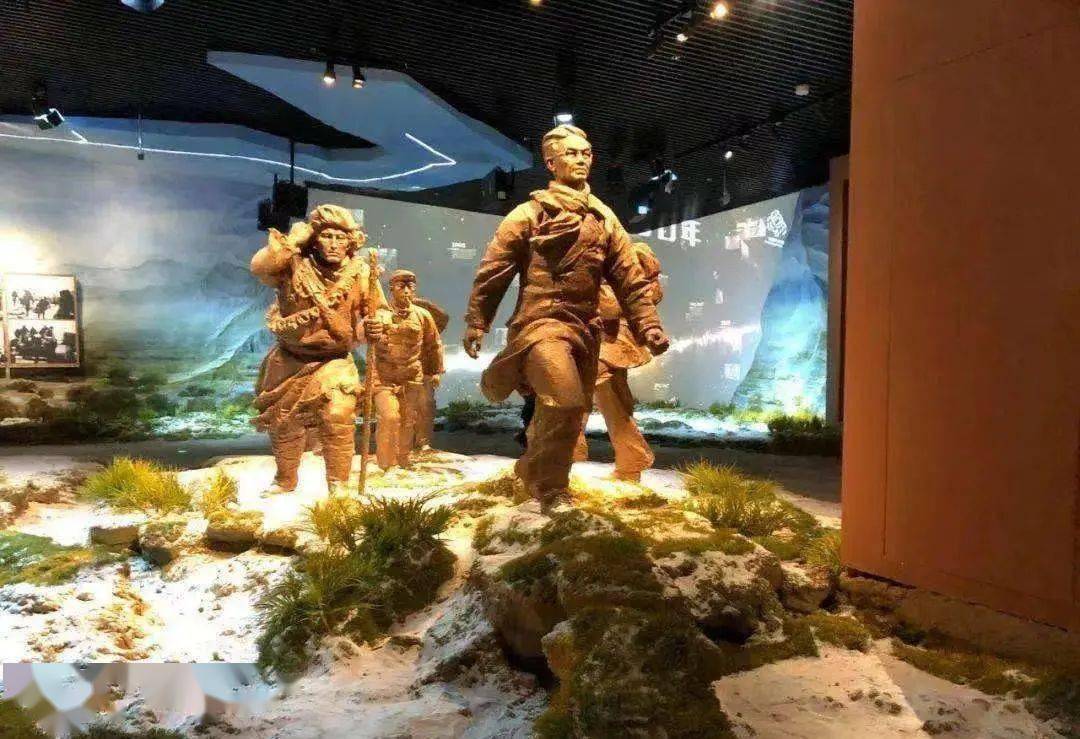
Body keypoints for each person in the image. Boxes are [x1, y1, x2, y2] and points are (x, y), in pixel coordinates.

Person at [463, 124, 669, 507]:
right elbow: (494, 272)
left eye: (586, 154)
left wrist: (649, 325)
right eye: (571, 153)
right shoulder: (527, 214)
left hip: (587, 332)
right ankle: (552, 489)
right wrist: (478, 321)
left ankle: (531, 471)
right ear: (550, 162)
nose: (581, 160)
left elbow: (630, 277)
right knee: (567, 400)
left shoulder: (603, 218)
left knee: (571, 414)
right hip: (540, 327)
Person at [249, 204, 383, 494]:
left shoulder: (361, 272)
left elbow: (379, 310)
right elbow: (260, 268)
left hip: (335, 360)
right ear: (314, 238)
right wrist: (294, 240)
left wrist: (375, 325)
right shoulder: (293, 264)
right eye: (327, 236)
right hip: (289, 361)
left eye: (340, 237)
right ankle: (285, 479)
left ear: (351, 242)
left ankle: (339, 485)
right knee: (284, 423)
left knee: (338, 414)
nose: (334, 244)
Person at [574, 242, 665, 482]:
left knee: (581, 392)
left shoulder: (631, 261)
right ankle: (630, 462)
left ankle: (563, 453)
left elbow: (614, 308)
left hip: (613, 342)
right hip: (603, 341)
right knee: (611, 399)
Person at [363, 270, 444, 470]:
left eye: (410, 287)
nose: (406, 291)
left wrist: (434, 371)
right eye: (401, 287)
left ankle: (403, 458)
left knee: (408, 420)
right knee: (390, 417)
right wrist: (367, 329)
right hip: (384, 377)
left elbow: (433, 345)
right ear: (392, 289)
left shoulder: (422, 315)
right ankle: (386, 463)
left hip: (411, 375)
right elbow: (364, 333)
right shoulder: (379, 315)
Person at [411, 296, 449, 451]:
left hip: (425, 370)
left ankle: (423, 441)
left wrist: (418, 303)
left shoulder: (427, 322)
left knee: (425, 405)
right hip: (400, 370)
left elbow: (443, 318)